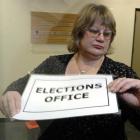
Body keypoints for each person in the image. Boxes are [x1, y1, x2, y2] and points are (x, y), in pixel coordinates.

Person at [0, 3, 140, 140]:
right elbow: (20, 86)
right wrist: (11, 92)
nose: (101, 38)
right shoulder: (53, 64)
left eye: (107, 34)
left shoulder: (121, 72)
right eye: (93, 30)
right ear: (79, 32)